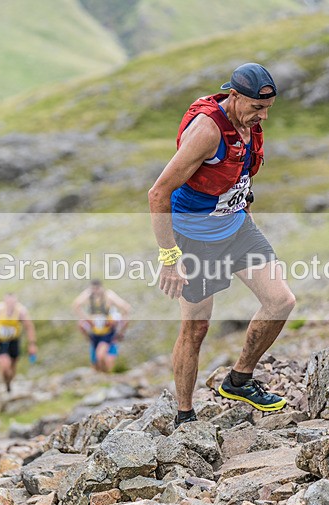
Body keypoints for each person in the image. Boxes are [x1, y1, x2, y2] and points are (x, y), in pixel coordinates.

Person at [147, 63, 296, 428]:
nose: (262, 117)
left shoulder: (249, 125)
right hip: (194, 237)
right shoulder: (207, 130)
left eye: (268, 109)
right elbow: (158, 193)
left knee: (281, 301)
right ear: (233, 95)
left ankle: (239, 380)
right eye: (256, 108)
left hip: (236, 227)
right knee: (196, 328)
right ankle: (185, 415)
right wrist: (170, 258)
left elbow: (235, 171)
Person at [73, 279, 132, 373]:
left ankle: (107, 376)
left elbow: (126, 308)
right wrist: (87, 319)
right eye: (93, 289)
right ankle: (102, 378)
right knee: (95, 362)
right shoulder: (89, 295)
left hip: (108, 332)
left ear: (101, 288)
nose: (95, 292)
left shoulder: (109, 296)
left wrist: (119, 325)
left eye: (97, 289)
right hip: (95, 332)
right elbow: (76, 305)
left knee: (101, 356)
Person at [0, 293, 38, 392]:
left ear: (16, 302)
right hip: (0, 340)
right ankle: (6, 383)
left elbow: (29, 327)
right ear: (4, 302)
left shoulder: (21, 312)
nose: (10, 305)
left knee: (13, 365)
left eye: (13, 302)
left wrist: (32, 344)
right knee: (4, 364)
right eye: (8, 302)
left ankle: (9, 382)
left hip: (14, 340)